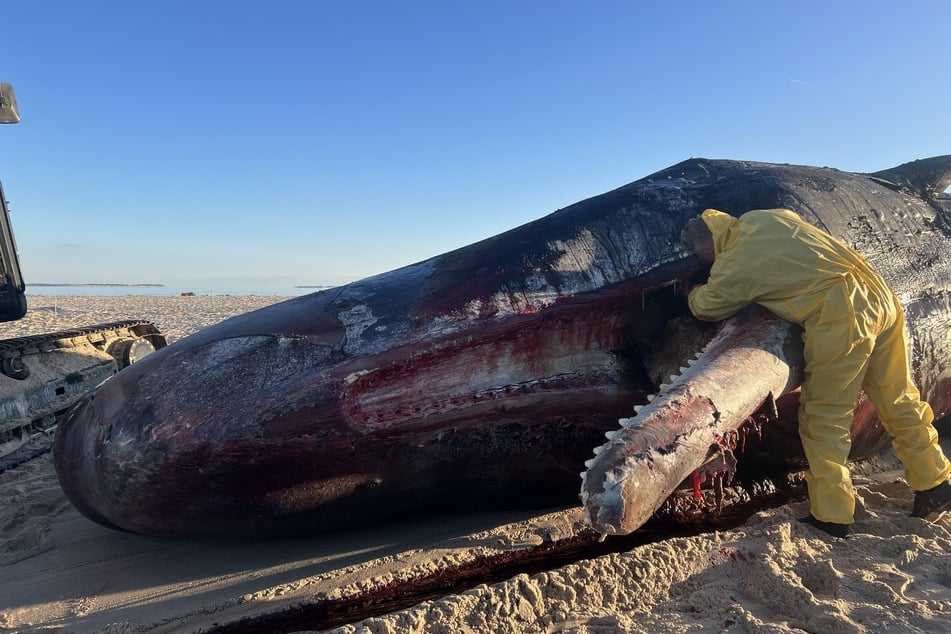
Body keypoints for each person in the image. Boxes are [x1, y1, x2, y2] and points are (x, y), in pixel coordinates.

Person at [679, 207, 951, 538]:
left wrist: (691, 291)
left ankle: (832, 515)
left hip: (841, 312)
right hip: (879, 295)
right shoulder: (762, 217)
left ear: (708, 250)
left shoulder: (734, 263)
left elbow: (707, 307)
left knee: (824, 417)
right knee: (898, 398)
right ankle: (935, 481)